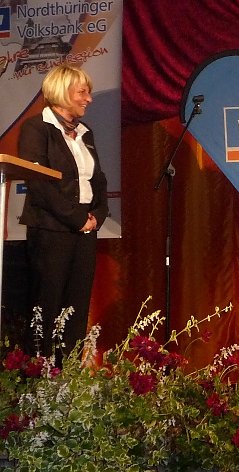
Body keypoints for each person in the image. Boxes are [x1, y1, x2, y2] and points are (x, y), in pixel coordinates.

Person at [18, 64, 108, 360]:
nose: (89, 99)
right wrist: (78, 218)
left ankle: (69, 374)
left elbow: (98, 180)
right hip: (51, 230)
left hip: (85, 231)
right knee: (47, 306)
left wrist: (97, 216)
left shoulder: (85, 132)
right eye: (83, 92)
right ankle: (40, 373)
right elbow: (39, 184)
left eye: (89, 93)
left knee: (76, 308)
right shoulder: (36, 128)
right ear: (62, 92)